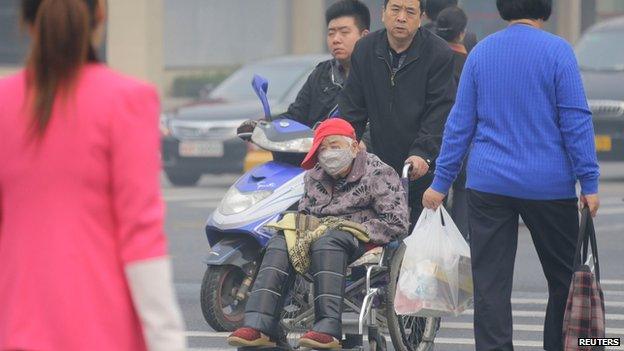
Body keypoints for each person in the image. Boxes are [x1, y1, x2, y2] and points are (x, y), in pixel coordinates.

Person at [0, 1, 185, 350]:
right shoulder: (128, 100)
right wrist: (168, 340)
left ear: (24, 21)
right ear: (100, 14)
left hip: (17, 331)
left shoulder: (4, 103)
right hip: (105, 332)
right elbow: (140, 234)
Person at [422, 0, 601, 350]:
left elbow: (460, 125)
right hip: (549, 186)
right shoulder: (558, 52)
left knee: (491, 284)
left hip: (489, 185)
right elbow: (576, 121)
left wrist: (440, 182)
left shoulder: (481, 53)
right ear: (544, 8)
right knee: (564, 278)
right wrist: (589, 182)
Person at [227, 119, 408, 349]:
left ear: (353, 147)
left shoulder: (378, 172)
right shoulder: (314, 176)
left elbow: (397, 220)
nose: (328, 153)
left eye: (334, 146)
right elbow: (305, 211)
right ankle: (259, 325)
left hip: (360, 237)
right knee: (281, 241)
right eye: (322, 148)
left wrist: (356, 228)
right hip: (317, 235)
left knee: (329, 239)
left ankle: (327, 329)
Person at [339, 0, 456, 224]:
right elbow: (352, 107)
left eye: (410, 11)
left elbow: (440, 110)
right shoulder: (365, 49)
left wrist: (423, 153)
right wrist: (346, 143)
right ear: (383, 13)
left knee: (420, 250)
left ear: (420, 17)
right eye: (395, 9)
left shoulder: (438, 53)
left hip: (421, 167)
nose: (401, 17)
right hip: (376, 165)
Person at [237, 0, 370, 134]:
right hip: (316, 151)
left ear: (364, 36)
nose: (336, 39)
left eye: (344, 32)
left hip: (362, 152)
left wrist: (361, 143)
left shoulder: (379, 73)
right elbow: (297, 116)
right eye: (331, 33)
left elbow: (383, 125)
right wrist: (264, 126)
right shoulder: (321, 74)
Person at [435, 6, 470, 237]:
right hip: (464, 142)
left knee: (436, 197)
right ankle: (460, 243)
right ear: (462, 33)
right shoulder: (470, 62)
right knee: (463, 192)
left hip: (433, 139)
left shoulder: (431, 60)